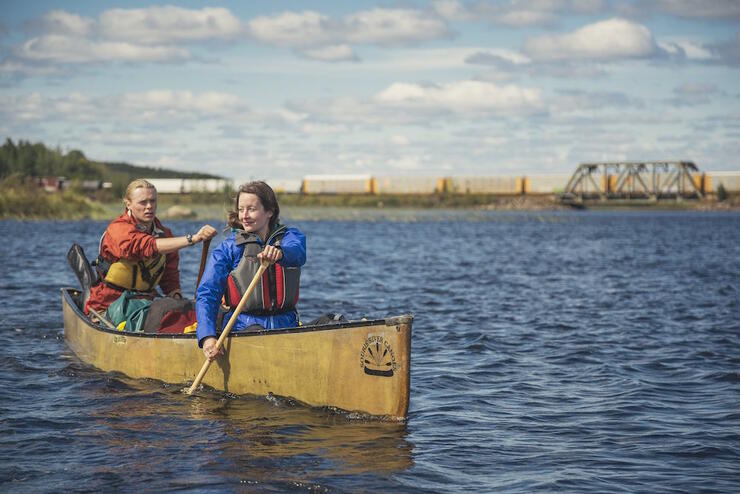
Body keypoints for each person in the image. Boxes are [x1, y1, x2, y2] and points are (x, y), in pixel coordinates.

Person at [196, 181, 306, 361]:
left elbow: (298, 253)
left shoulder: (290, 238)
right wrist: (208, 337)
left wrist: (280, 253)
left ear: (270, 211)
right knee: (258, 334)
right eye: (241, 210)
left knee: (335, 319)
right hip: (244, 328)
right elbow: (207, 293)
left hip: (287, 325)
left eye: (251, 209)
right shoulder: (228, 248)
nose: (244, 216)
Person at [85, 179, 218, 315]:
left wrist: (178, 301)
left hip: (146, 302)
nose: (149, 206)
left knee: (181, 315)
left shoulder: (165, 235)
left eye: (153, 201)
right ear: (128, 204)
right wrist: (193, 239)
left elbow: (169, 277)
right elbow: (146, 245)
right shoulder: (117, 229)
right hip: (109, 303)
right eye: (143, 202)